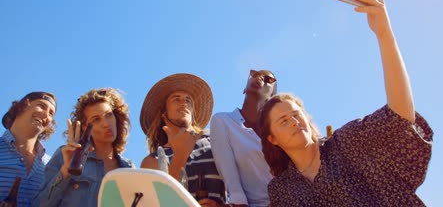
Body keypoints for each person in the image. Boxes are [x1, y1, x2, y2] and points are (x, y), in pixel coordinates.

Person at [258, 0, 433, 206]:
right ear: (272, 139)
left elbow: (400, 117)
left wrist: (383, 33)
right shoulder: (281, 191)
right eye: (283, 121)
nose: (294, 121)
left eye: (296, 114)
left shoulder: (347, 143)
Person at [34, 88, 134, 207]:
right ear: (86, 127)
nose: (106, 123)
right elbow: (39, 204)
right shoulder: (66, 155)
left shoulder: (128, 168)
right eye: (96, 120)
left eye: (109, 115)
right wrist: (66, 170)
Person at [140, 73, 226, 206]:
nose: (184, 103)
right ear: (163, 113)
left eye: (188, 100)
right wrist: (180, 154)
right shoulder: (152, 161)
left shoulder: (215, 139)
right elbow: (158, 201)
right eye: (176, 99)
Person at [210, 69, 277, 207]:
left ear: (272, 96)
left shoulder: (276, 129)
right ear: (244, 88)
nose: (259, 78)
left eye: (268, 79)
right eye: (254, 74)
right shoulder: (223, 121)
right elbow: (231, 180)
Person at [0, 92, 57, 206]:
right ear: (21, 107)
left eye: (51, 113)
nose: (46, 115)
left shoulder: (51, 164)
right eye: (41, 106)